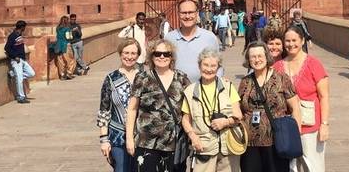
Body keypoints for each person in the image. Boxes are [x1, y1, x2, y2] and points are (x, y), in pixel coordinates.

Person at [126, 39, 191, 172]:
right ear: (152, 56)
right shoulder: (142, 78)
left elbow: (191, 107)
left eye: (166, 54)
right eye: (158, 54)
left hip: (175, 144)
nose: (162, 57)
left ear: (171, 57)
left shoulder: (181, 78)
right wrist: (129, 139)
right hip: (147, 143)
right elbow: (132, 109)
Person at [239, 41, 301, 172]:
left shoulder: (281, 78)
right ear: (248, 60)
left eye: (260, 56)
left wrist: (296, 135)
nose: (257, 60)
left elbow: (295, 107)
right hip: (251, 143)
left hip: (277, 140)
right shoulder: (245, 81)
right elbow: (239, 108)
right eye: (253, 57)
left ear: (267, 57)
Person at [274, 26, 329, 172]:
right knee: (291, 167)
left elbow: (324, 96)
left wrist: (325, 124)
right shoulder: (278, 66)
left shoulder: (313, 64)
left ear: (302, 40)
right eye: (287, 41)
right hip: (286, 125)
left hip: (310, 125)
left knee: (313, 166)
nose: (291, 44)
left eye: (294, 40)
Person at [181, 48, 242, 172]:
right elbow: (185, 119)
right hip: (204, 147)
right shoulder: (190, 91)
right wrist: (193, 137)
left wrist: (225, 122)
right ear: (199, 66)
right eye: (206, 65)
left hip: (228, 147)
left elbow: (238, 115)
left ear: (218, 67)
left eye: (213, 66)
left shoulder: (228, 86)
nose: (209, 69)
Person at [98, 38, 142, 172]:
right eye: (126, 53)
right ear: (120, 54)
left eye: (133, 53)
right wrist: (104, 140)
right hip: (117, 135)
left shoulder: (144, 77)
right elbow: (104, 111)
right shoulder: (111, 78)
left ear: (138, 55)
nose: (129, 57)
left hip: (141, 136)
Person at [166, 0, 222, 83]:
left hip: (203, 91)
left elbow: (218, 66)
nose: (187, 16)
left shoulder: (209, 38)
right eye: (184, 13)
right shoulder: (169, 38)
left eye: (191, 12)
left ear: (197, 13)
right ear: (178, 14)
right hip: (177, 92)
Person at [4, 20, 36, 103]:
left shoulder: (19, 35)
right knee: (20, 79)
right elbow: (7, 48)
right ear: (22, 27)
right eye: (24, 27)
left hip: (22, 59)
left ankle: (13, 74)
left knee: (31, 73)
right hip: (16, 60)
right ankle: (21, 97)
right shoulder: (12, 36)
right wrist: (15, 57)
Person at [54, 15, 74, 80]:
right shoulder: (67, 29)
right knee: (70, 60)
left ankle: (62, 75)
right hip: (66, 45)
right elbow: (68, 37)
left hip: (59, 45)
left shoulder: (57, 28)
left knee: (60, 61)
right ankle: (69, 73)